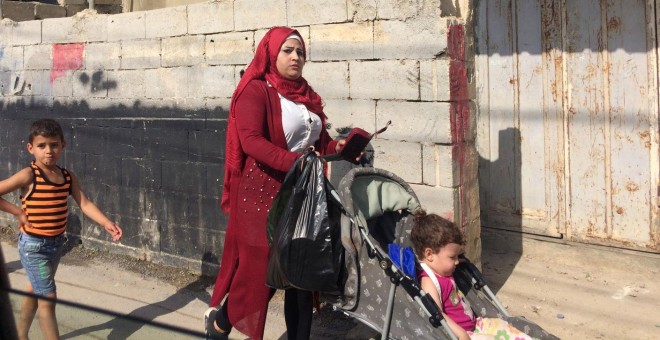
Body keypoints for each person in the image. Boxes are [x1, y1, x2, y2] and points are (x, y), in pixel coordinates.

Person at [204, 26, 349, 340]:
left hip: (303, 196)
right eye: (288, 50)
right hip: (261, 196)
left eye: (300, 52)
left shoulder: (305, 95)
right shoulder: (255, 90)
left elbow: (318, 142)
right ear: (270, 53)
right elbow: (252, 141)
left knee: (301, 275)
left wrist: (338, 148)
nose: (296, 57)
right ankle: (221, 323)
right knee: (261, 278)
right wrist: (296, 162)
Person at [0, 118, 123, 340]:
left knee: (34, 290)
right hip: (33, 246)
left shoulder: (67, 176)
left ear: (63, 145)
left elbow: (84, 203)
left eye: (54, 145)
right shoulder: (29, 175)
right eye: (42, 145)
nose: (49, 151)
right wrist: (18, 212)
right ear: (31, 148)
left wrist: (106, 222)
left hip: (56, 245)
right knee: (48, 298)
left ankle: (20, 335)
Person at [410, 211, 533, 340]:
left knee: (503, 326)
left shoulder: (444, 269)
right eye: (452, 257)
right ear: (429, 255)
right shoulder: (429, 281)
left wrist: (454, 259)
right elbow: (437, 313)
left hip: (476, 324)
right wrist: (461, 333)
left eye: (457, 256)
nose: (457, 261)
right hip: (461, 335)